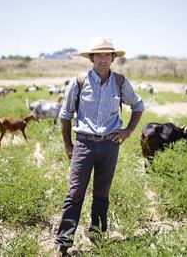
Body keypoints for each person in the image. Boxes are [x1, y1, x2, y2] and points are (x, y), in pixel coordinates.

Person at [53, 37, 144, 255]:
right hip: (83, 145)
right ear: (92, 58)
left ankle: (98, 237)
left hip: (110, 145)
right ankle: (63, 243)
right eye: (98, 55)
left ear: (113, 58)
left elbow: (138, 105)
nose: (103, 59)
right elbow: (65, 116)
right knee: (75, 193)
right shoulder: (79, 81)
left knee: (102, 193)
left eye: (107, 55)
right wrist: (68, 145)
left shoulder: (120, 82)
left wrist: (128, 131)